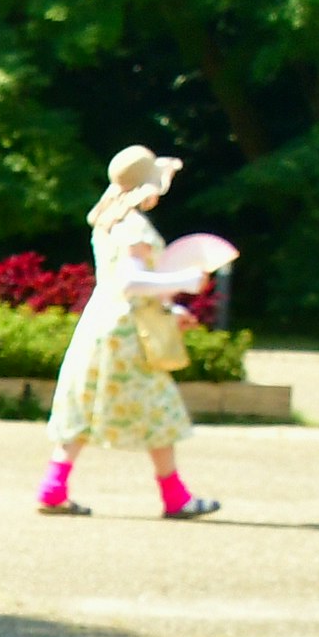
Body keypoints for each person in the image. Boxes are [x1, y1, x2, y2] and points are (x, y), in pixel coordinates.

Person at [39, 144, 224, 520]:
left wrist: (171, 307)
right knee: (160, 411)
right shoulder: (133, 225)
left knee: (85, 404)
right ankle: (175, 498)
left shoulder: (110, 220)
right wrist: (186, 281)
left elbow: (118, 285)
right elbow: (130, 282)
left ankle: (54, 488)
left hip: (103, 323)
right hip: (128, 335)